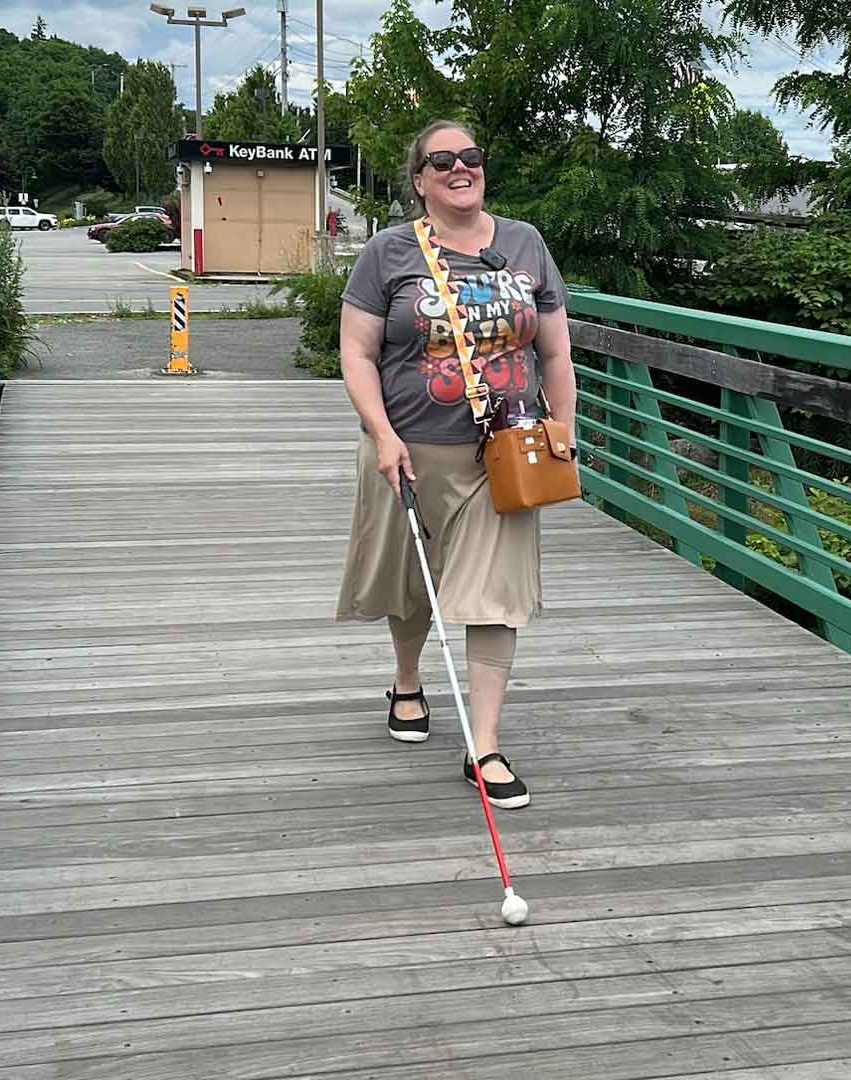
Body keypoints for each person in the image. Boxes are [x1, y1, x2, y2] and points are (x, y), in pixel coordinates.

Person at [335, 119, 578, 809]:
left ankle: (485, 746)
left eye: (470, 155)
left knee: (495, 594)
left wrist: (563, 430)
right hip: (408, 447)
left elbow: (556, 352)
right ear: (419, 180)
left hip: (505, 454)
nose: (459, 167)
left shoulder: (526, 244)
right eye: (441, 161)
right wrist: (381, 434)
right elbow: (356, 351)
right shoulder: (387, 253)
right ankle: (408, 681)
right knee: (411, 583)